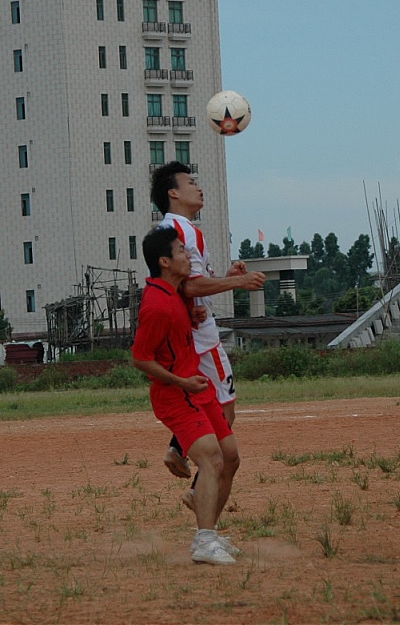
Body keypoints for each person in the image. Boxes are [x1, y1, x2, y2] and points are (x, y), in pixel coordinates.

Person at [149, 161, 265, 490]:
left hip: (189, 334)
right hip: (201, 338)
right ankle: (194, 476)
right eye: (190, 182)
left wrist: (224, 279)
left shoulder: (173, 230)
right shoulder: (183, 231)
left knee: (209, 403)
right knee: (224, 410)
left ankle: (179, 449)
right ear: (173, 193)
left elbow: (185, 286)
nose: (198, 188)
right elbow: (189, 286)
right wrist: (239, 282)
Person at [131, 226, 241, 565]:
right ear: (164, 261)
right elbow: (141, 359)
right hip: (175, 395)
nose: (187, 255)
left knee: (230, 457)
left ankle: (211, 533)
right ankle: (204, 541)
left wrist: (193, 315)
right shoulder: (156, 305)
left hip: (196, 389)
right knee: (211, 458)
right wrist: (180, 381)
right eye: (181, 251)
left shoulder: (175, 293)